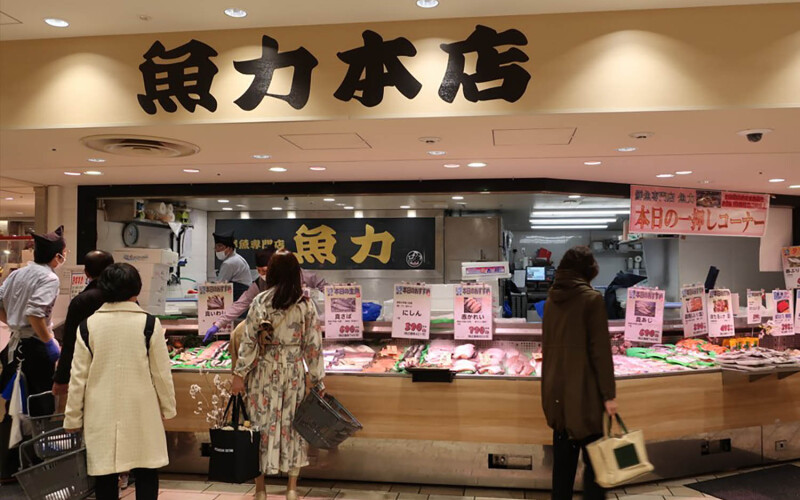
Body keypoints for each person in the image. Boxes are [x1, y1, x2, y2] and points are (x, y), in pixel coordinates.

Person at [64, 263, 176, 500]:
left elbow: (78, 378)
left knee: (104, 473)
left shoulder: (88, 326)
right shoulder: (148, 324)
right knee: (146, 469)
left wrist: (72, 417)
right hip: (141, 409)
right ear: (136, 290)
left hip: (100, 410)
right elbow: (161, 373)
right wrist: (168, 407)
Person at [230, 250, 325, 500]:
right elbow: (314, 346)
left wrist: (239, 375)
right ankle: (292, 488)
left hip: (262, 370)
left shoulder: (260, 301)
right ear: (296, 274)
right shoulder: (305, 304)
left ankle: (260, 488)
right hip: (293, 371)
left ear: (270, 273)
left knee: (259, 429)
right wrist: (317, 380)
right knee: (293, 428)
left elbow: (249, 341)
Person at [541, 246, 616, 500]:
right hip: (585, 397)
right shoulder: (592, 299)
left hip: (557, 395)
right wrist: (609, 395)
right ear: (588, 270)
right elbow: (601, 353)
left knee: (562, 470)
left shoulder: (552, 299)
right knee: (596, 467)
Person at [0, 226, 65, 478]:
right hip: (35, 349)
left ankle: (9, 466)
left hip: (15, 347)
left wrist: (13, 324)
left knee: (15, 405)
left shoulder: (18, 273)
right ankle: (40, 466)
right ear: (57, 256)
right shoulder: (49, 278)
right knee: (40, 406)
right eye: (63, 253)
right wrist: (50, 341)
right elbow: (35, 314)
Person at [204, 246, 328, 341]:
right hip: (275, 332)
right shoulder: (259, 286)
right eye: (259, 271)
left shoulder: (297, 275)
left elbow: (324, 286)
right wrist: (218, 324)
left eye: (265, 270)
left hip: (303, 327)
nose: (262, 275)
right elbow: (241, 304)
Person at [52, 250, 114, 395]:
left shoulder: (82, 301)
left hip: (88, 371)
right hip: (121, 369)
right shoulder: (126, 296)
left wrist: (61, 378)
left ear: (86, 272)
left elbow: (70, 342)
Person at [213, 231, 252, 301]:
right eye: (216, 247)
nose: (217, 250)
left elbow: (219, 285)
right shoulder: (237, 258)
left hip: (238, 296)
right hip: (243, 296)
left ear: (230, 248)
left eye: (220, 246)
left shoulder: (229, 263)